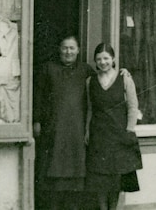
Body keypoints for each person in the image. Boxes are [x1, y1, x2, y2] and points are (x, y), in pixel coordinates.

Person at [33, 37, 131, 210]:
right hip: (55, 129)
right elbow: (38, 96)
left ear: (78, 50)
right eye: (65, 48)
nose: (68, 52)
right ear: (59, 49)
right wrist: (37, 120)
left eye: (72, 48)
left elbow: (105, 80)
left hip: (78, 130)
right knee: (53, 172)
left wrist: (122, 72)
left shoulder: (86, 71)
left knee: (77, 174)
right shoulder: (48, 69)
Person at [85, 43, 142, 210]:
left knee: (115, 179)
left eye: (106, 58)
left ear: (113, 59)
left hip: (118, 136)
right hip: (99, 135)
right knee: (99, 179)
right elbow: (90, 108)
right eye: (99, 59)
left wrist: (129, 131)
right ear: (95, 61)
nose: (103, 62)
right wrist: (87, 131)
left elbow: (133, 107)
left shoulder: (124, 78)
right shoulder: (90, 81)